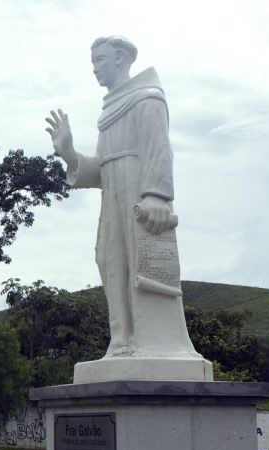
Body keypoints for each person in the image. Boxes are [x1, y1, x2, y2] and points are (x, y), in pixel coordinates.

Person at [46, 35, 205, 362]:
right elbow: (101, 168)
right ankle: (122, 343)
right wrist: (70, 154)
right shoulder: (110, 111)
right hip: (113, 200)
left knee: (142, 268)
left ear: (120, 58)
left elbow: (159, 149)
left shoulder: (147, 98)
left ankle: (157, 346)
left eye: (99, 61)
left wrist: (157, 195)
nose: (94, 70)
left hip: (141, 200)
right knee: (109, 260)